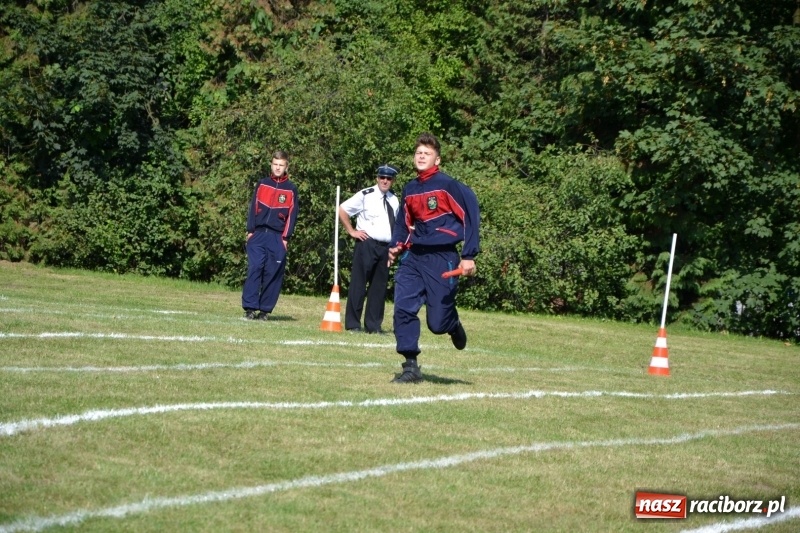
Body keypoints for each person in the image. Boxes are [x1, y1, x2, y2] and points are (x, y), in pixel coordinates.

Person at [387, 133, 480, 383]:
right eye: (418, 152)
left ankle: (452, 324)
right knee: (403, 308)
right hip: (414, 257)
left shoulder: (448, 185)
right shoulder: (409, 188)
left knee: (437, 324)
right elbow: (403, 223)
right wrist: (397, 246)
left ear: (437, 160)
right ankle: (410, 367)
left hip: (443, 258)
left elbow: (471, 212)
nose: (421, 156)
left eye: (427, 153)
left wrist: (468, 255)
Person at [338, 164, 401, 333]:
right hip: (367, 244)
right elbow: (342, 209)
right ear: (377, 178)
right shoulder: (366, 195)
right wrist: (351, 231)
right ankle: (353, 324)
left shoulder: (394, 200)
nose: (385, 181)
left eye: (388, 179)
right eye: (382, 177)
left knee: (379, 288)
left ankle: (373, 326)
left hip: (385, 248)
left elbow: (396, 225)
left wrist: (394, 248)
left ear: (393, 181)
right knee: (358, 284)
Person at [242, 150, 299, 321]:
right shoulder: (262, 184)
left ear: (286, 167)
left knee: (272, 272)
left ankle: (265, 311)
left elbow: (292, 214)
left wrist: (285, 238)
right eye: (275, 164)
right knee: (255, 268)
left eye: (281, 165)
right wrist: (250, 230)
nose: (278, 168)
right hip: (258, 234)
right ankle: (250, 308)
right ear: (271, 164)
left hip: (277, 237)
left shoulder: (291, 189)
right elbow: (253, 207)